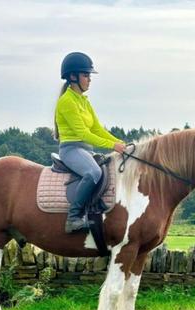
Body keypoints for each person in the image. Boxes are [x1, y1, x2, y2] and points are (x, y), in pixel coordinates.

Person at [55, 52, 126, 233]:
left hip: (85, 150)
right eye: (86, 75)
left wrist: (119, 142)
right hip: (71, 149)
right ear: (73, 76)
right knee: (93, 171)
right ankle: (74, 217)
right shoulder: (67, 102)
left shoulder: (84, 101)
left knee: (106, 168)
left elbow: (97, 129)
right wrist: (112, 146)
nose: (89, 79)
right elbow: (84, 134)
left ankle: (93, 206)